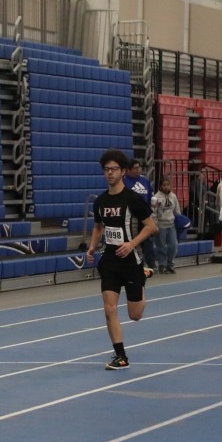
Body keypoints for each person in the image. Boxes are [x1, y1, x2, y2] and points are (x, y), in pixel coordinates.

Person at [86, 149, 157, 370]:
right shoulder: (100, 201)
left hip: (130, 260)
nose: (110, 173)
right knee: (109, 309)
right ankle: (121, 356)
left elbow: (151, 227)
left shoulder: (133, 199)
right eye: (106, 169)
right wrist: (92, 246)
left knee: (135, 315)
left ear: (123, 171)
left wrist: (131, 244)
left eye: (114, 169)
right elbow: (98, 227)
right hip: (109, 260)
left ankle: (142, 276)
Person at [124, 158, 156, 270]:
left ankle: (151, 265)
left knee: (148, 240)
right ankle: (136, 264)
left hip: (145, 215)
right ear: (128, 170)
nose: (138, 170)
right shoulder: (124, 181)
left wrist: (153, 204)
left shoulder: (144, 180)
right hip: (131, 216)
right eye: (135, 168)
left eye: (139, 167)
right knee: (133, 240)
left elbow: (150, 195)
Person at [150, 178, 181, 274]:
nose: (166, 187)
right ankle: (162, 265)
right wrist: (155, 225)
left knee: (173, 246)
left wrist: (179, 220)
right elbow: (153, 213)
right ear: (160, 186)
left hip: (171, 225)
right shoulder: (155, 198)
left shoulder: (173, 196)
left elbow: (177, 210)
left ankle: (170, 264)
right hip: (160, 225)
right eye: (164, 185)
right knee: (161, 247)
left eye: (168, 185)